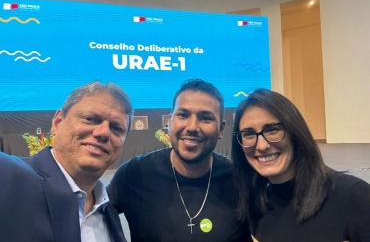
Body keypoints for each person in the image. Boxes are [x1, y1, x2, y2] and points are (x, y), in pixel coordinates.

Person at [107, 78, 252, 242]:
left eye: (206, 118)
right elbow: (89, 216)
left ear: (221, 129)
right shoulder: (134, 174)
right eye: (183, 115)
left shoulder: (240, 181)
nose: (191, 127)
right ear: (169, 122)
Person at [0, 81, 133, 242]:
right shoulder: (7, 176)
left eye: (116, 128)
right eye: (90, 119)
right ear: (57, 122)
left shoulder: (108, 212)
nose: (103, 132)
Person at [232, 88, 370, 242]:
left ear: (294, 132)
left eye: (272, 130)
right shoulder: (254, 209)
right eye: (249, 134)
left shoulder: (353, 196)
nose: (262, 145)